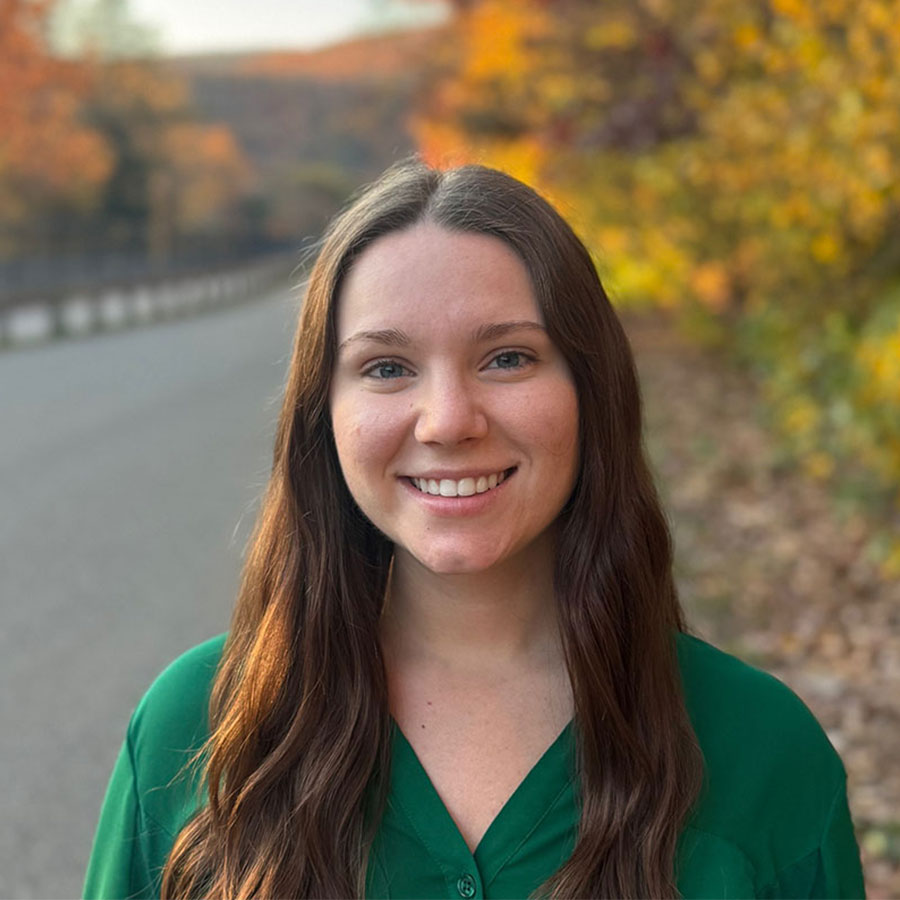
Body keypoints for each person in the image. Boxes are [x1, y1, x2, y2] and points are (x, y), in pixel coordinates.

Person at [83, 160, 866, 899]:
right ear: (324, 416)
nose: (449, 420)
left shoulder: (764, 752)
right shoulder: (195, 733)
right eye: (387, 367)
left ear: (593, 392)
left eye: (509, 358)